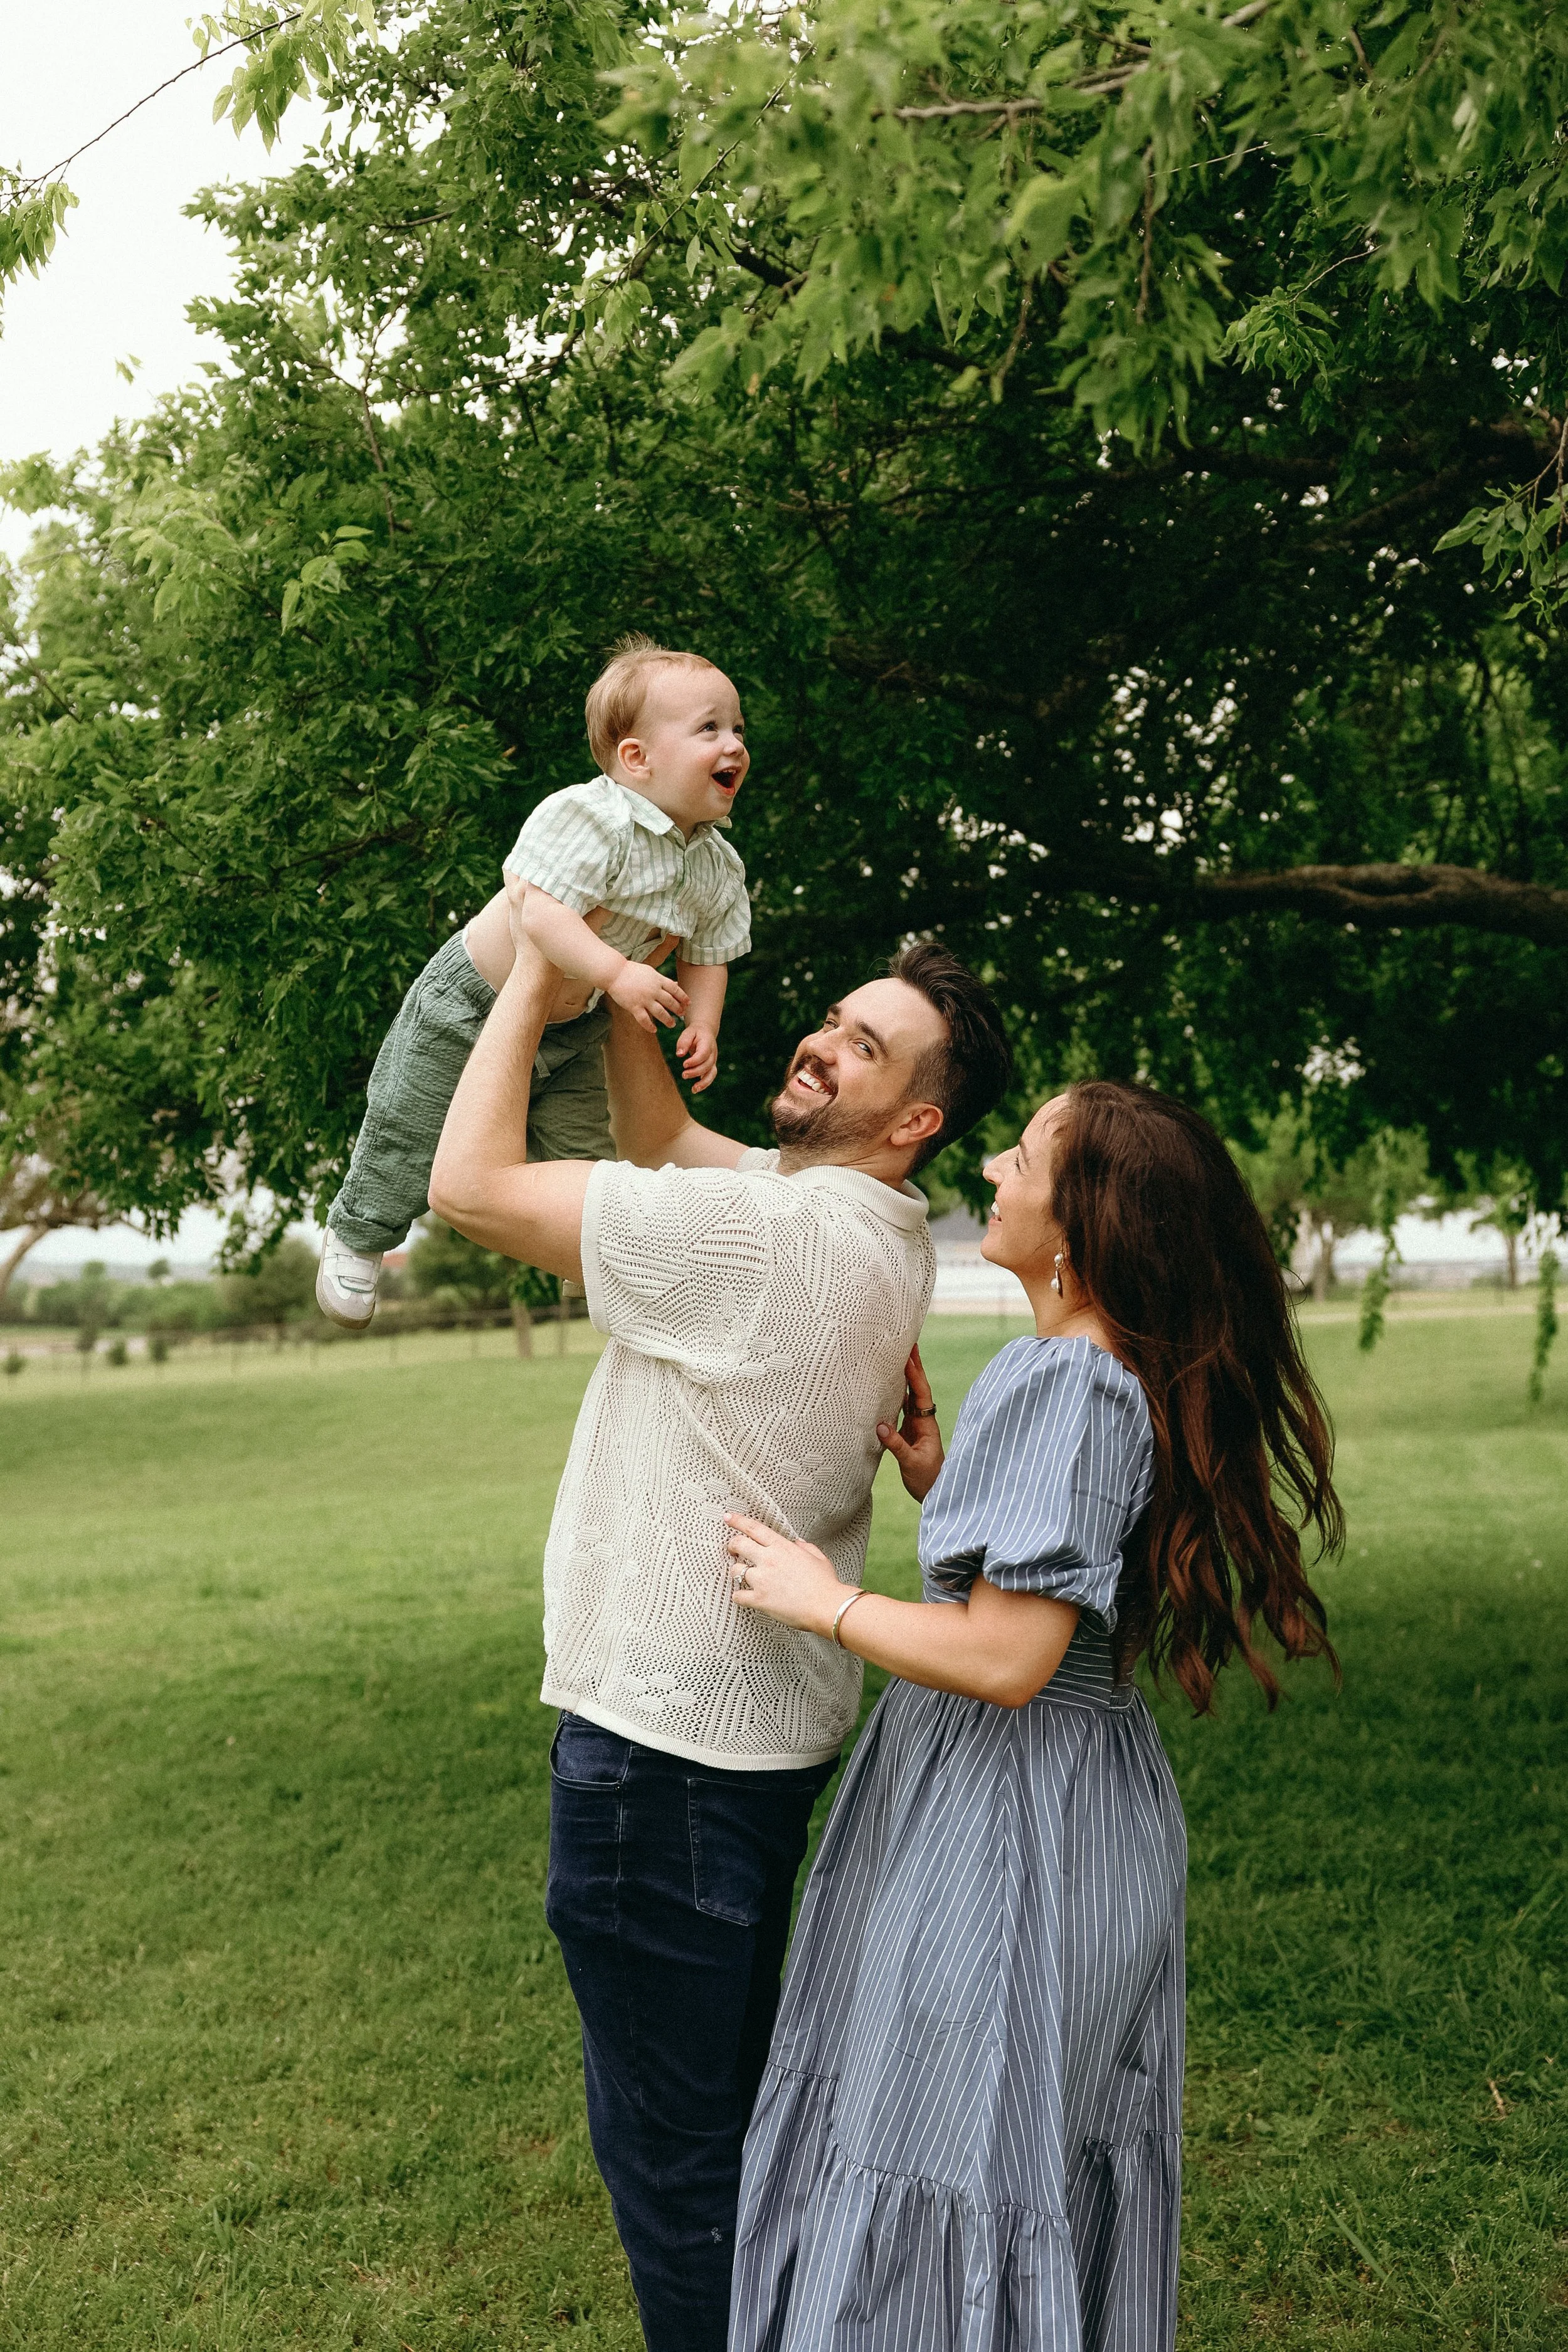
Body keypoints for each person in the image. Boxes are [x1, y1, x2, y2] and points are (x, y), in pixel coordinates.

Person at [426, 900, 1014, 2352]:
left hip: (661, 1767)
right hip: (746, 1753)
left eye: (866, 1046)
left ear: (915, 1119)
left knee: (679, 2171)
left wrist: (541, 974)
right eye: (833, 1017)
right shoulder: (875, 1231)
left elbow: (469, 1184)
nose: (822, 1040)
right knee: (731, 2135)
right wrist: (653, 987)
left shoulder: (760, 1234)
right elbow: (661, 1141)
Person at [722, 1079, 1343, 2351]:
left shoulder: (1069, 1383)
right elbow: (1061, 1568)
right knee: (1004, 2134)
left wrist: (822, 1600)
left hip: (1004, 1817)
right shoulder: (1103, 1377)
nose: (990, 1168)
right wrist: (947, 1477)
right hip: (1060, 1791)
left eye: (1021, 1156)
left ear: (1084, 1224)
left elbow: (1008, 1655)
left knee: (942, 2128)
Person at [316, 634, 753, 1328]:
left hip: (577, 1026)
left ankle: (588, 1260)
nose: (733, 744)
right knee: (414, 1121)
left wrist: (704, 1023)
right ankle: (360, 1233)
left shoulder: (716, 866)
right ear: (636, 758)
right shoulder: (593, 818)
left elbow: (709, 952)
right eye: (709, 729)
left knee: (586, 1150)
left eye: (737, 728)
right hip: (471, 1003)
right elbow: (537, 912)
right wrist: (618, 972)